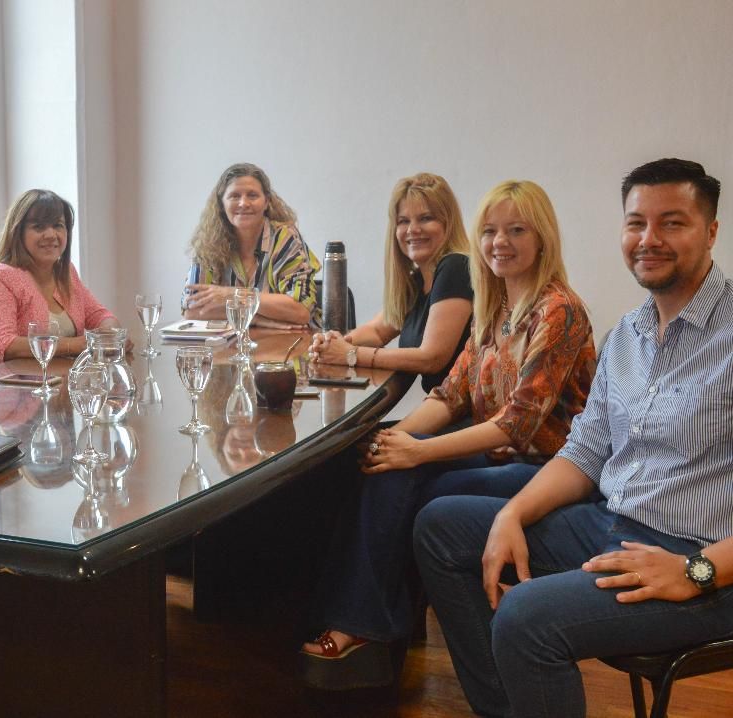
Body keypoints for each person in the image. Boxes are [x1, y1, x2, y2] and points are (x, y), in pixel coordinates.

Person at [414, 159, 733, 718]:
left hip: (703, 562)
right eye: (636, 223)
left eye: (672, 223)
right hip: (612, 524)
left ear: (710, 231)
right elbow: (585, 452)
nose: (649, 239)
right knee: (440, 526)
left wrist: (694, 572)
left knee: (526, 619)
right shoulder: (627, 335)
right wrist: (511, 514)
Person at [299, 180, 596, 691]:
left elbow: (516, 425)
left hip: (547, 471)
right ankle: (359, 621)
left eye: (516, 230)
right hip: (497, 456)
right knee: (377, 461)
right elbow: (449, 395)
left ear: (542, 238)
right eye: (490, 231)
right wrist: (394, 441)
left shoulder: (558, 310)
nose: (500, 242)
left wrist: (416, 452)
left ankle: (362, 625)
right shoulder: (494, 308)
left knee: (407, 482)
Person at [310, 172, 473, 393]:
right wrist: (333, 342)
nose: (412, 230)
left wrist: (350, 354)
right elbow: (377, 331)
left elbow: (431, 358)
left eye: (425, 218)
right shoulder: (418, 280)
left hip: (463, 411)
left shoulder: (456, 267)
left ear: (448, 223)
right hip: (440, 403)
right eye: (403, 221)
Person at [0, 189, 120, 367]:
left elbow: (99, 315)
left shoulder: (66, 271)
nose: (51, 235)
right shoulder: (1, 277)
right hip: (7, 382)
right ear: (18, 233)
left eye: (58, 225)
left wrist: (111, 335)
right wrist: (76, 345)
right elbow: (4, 345)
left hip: (60, 379)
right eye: (39, 227)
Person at [182, 162, 321, 327]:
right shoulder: (209, 242)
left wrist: (232, 295)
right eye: (235, 196)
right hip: (237, 340)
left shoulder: (284, 238)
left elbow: (301, 310)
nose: (244, 203)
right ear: (221, 204)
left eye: (252, 195)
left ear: (266, 202)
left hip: (291, 339)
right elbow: (192, 310)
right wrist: (256, 319)